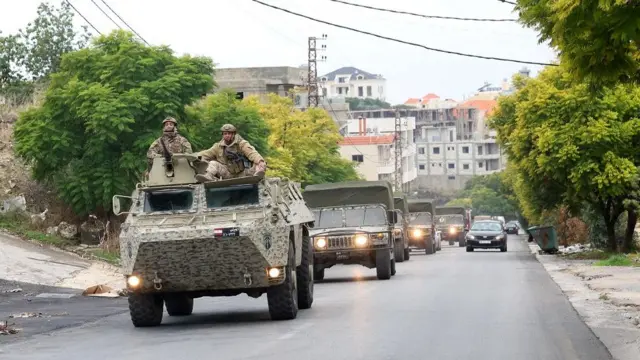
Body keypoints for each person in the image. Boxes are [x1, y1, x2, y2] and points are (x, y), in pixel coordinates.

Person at [195, 124, 267, 182]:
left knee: (258, 162)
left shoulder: (241, 144)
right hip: (227, 173)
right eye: (225, 134)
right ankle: (209, 176)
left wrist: (260, 161)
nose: (227, 135)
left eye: (229, 133)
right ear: (222, 135)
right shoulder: (218, 147)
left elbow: (252, 153)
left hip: (244, 173)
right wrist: (193, 156)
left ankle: (258, 175)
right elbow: (206, 154)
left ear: (233, 134)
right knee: (213, 163)